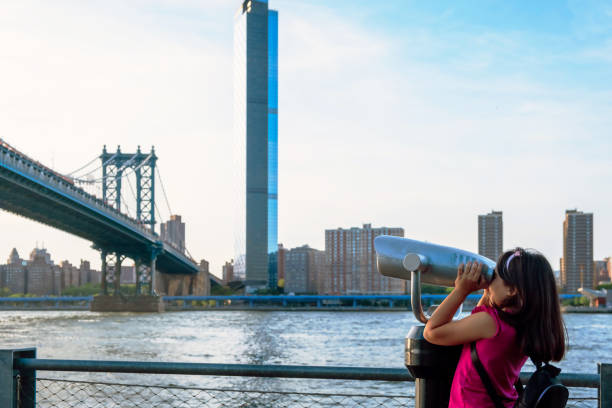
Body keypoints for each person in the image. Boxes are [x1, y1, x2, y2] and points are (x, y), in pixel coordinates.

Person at [423, 248, 566, 408]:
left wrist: (461, 290)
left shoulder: (490, 322)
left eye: (495, 276)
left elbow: (432, 332)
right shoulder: (524, 324)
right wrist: (488, 293)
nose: (490, 282)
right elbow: (476, 325)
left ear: (512, 290)